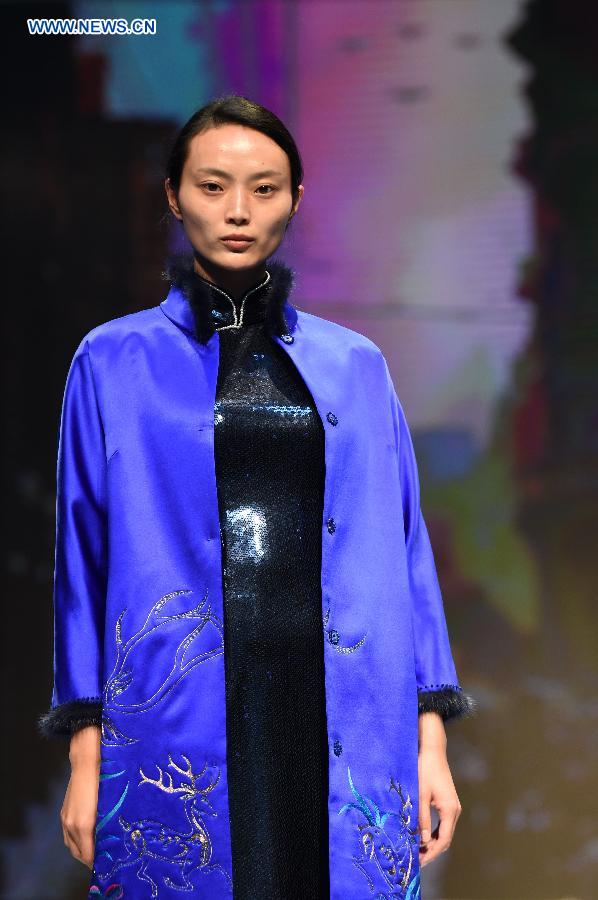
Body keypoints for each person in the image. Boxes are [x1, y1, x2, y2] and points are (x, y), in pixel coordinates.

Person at [38, 94, 476, 900]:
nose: (238, 211)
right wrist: (84, 752)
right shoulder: (112, 361)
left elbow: (406, 555)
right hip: (182, 714)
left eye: (265, 188)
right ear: (173, 195)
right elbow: (82, 560)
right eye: (212, 186)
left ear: (296, 199)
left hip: (337, 710)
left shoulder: (356, 365)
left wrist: (431, 742)